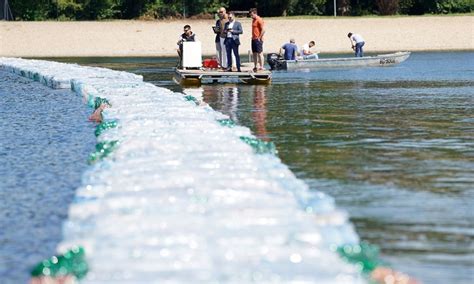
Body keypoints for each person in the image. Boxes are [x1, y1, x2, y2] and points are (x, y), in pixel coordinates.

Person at [249, 8, 265, 72]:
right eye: (250, 15)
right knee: (254, 53)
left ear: (255, 13)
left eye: (252, 15)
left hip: (258, 39)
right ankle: (255, 66)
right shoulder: (253, 20)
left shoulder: (259, 19)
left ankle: (261, 66)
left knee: (260, 53)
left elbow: (263, 30)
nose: (251, 16)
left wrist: (259, 37)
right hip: (253, 39)